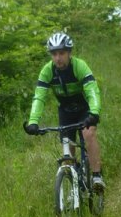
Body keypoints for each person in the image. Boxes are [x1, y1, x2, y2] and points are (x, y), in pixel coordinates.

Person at [24, 32, 105, 190]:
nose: (58, 58)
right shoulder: (47, 71)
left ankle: (97, 176)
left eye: (61, 53)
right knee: (68, 152)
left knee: (88, 134)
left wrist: (94, 113)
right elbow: (39, 97)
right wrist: (33, 121)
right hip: (66, 112)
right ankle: (75, 184)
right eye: (54, 54)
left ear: (69, 53)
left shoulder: (79, 66)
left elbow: (92, 90)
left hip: (85, 110)